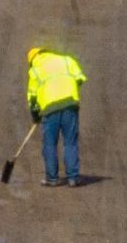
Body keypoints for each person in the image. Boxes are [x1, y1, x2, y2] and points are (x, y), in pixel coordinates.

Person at [26, 46, 87, 187]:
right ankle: (73, 178)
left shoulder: (35, 69)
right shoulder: (67, 60)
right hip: (70, 105)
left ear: (33, 60)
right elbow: (80, 79)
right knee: (70, 142)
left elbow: (32, 98)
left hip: (50, 109)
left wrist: (35, 115)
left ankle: (52, 178)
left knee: (50, 144)